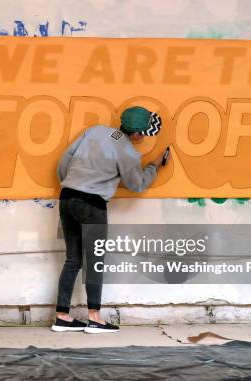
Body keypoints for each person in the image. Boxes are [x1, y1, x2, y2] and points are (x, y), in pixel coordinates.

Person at [51, 106, 167, 334]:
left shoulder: (95, 131)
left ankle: (62, 317)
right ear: (136, 134)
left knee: (73, 259)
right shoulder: (129, 153)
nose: (143, 137)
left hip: (67, 198)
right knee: (94, 261)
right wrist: (154, 167)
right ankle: (95, 318)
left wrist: (72, 185)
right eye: (143, 133)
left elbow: (64, 162)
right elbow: (137, 184)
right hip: (92, 205)